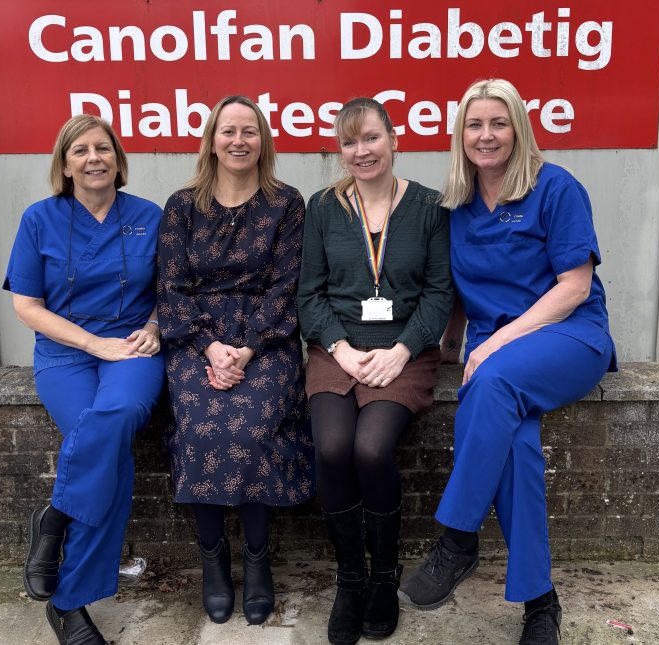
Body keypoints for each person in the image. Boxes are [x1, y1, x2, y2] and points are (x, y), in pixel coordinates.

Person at [398, 79, 618, 644]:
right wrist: (447, 350)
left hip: (568, 336)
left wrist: (494, 344)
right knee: (516, 445)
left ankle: (457, 539)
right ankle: (541, 603)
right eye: (475, 124)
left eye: (498, 123)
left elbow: (573, 286)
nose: (486, 135)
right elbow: (455, 294)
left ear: (518, 127)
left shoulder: (556, 188)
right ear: (461, 134)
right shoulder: (457, 205)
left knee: (491, 384)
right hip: (498, 356)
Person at [4, 114, 164, 644]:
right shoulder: (39, 219)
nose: (93, 158)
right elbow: (27, 305)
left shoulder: (149, 216)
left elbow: (174, 289)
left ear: (118, 159)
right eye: (80, 150)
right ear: (64, 163)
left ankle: (56, 519)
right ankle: (70, 605)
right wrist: (92, 343)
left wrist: (156, 326)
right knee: (109, 455)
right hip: (66, 354)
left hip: (132, 351)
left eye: (103, 148)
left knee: (115, 416)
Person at [298, 97, 453, 645]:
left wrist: (403, 350)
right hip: (337, 352)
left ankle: (384, 577)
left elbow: (438, 295)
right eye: (349, 142)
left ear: (394, 138)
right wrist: (338, 348)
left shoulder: (432, 208)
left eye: (370, 138)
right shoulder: (322, 208)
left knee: (370, 449)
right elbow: (309, 295)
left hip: (402, 355)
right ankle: (351, 579)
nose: (360, 151)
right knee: (333, 447)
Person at [156, 95, 314, 626]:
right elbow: (172, 287)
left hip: (264, 343)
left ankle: (257, 556)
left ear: (263, 141)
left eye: (250, 131)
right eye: (229, 131)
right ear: (213, 140)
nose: (239, 141)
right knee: (201, 428)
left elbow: (287, 286)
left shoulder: (288, 203)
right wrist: (208, 346)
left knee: (250, 431)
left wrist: (246, 347)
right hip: (195, 339)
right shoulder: (182, 205)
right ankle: (213, 561)